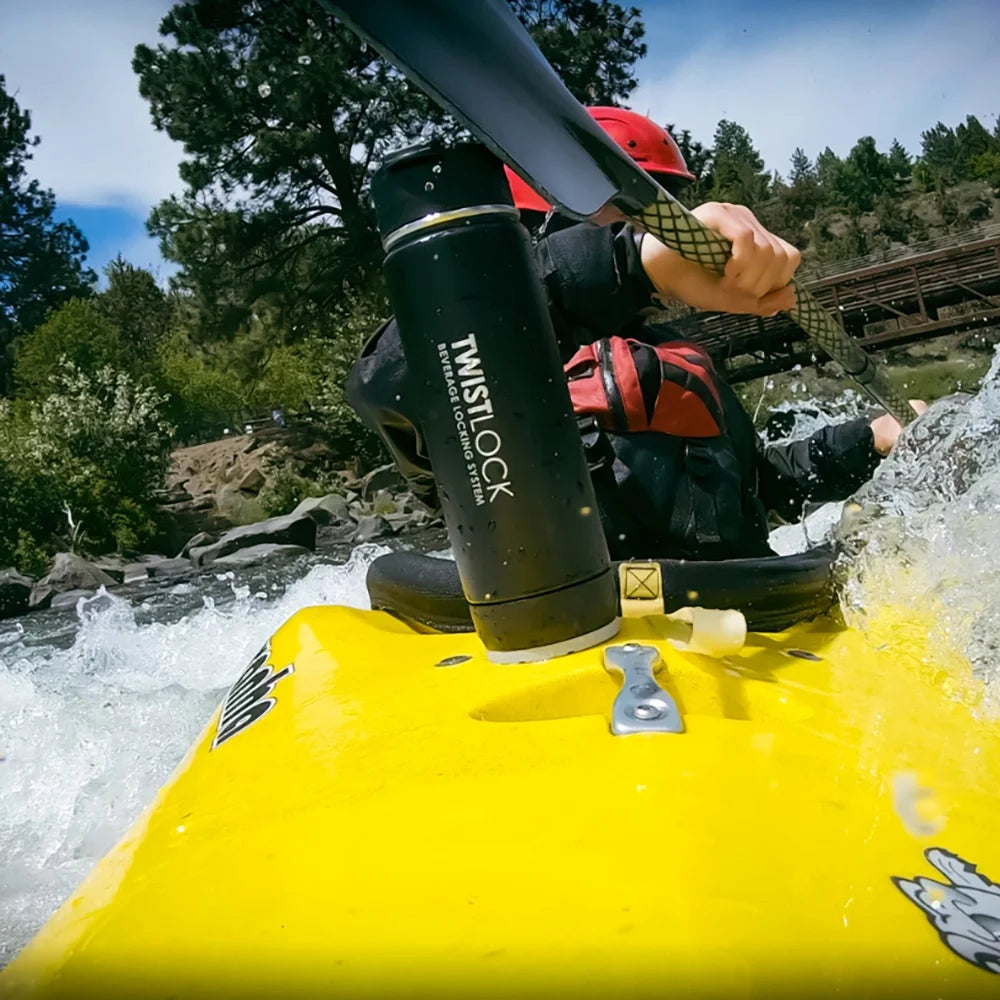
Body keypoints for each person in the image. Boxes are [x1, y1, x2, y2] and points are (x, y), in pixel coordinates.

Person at [348, 107, 924, 561]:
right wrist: (626, 264)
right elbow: (384, 381)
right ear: (554, 220)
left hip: (742, 624)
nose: (657, 227)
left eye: (664, 211)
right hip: (585, 636)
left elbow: (757, 490)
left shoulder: (676, 358)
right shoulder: (484, 367)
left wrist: (868, 440)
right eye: (635, 212)